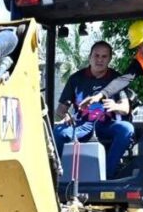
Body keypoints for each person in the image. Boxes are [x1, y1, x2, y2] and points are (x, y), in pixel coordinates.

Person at [53, 41, 134, 178]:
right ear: (90, 57)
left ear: (109, 59)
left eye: (104, 56)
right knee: (58, 133)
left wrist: (115, 106)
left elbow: (125, 108)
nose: (100, 60)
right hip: (81, 124)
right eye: (96, 56)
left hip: (107, 124)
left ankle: (106, 174)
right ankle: (60, 177)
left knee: (127, 129)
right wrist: (65, 116)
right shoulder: (76, 79)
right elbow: (60, 109)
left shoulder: (116, 78)